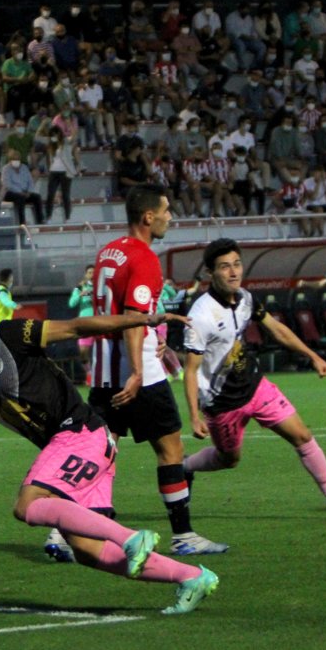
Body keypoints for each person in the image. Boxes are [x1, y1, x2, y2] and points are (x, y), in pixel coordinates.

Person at [0, 299, 219, 615]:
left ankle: (131, 538)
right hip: (90, 444)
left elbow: (76, 327)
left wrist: (142, 320)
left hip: (79, 433)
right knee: (86, 550)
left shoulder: (4, 336)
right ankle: (192, 577)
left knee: (27, 504)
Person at [88, 184, 229, 556]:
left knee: (101, 453)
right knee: (171, 449)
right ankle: (183, 535)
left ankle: (69, 530)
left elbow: (121, 312)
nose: (171, 216)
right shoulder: (145, 258)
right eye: (166, 210)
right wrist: (137, 370)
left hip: (103, 370)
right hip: (140, 374)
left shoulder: (108, 252)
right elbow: (133, 318)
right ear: (148, 217)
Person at [183, 238, 326, 519]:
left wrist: (313, 356)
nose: (233, 272)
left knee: (302, 435)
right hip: (223, 402)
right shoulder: (200, 316)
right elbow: (191, 369)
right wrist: (194, 416)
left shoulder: (245, 298)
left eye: (237, 264)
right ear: (210, 273)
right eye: (224, 267)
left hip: (257, 386)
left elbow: (276, 329)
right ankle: (186, 467)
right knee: (228, 459)